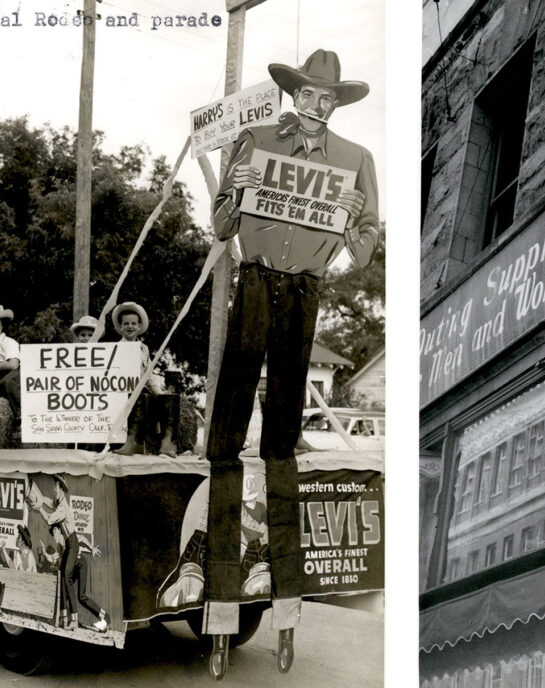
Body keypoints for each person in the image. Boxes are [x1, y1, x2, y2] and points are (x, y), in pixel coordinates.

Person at [201, 48, 379, 679]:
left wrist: (357, 228)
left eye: (326, 96)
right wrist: (237, 194)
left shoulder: (357, 160)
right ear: (294, 94)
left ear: (336, 103)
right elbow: (221, 225)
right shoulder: (253, 140)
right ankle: (219, 611)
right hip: (252, 278)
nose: (316, 103)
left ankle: (286, 608)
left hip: (305, 288)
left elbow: (361, 252)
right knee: (225, 430)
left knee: (281, 436)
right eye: (307, 93)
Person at [28, 475, 108, 632]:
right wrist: (37, 497)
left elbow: (50, 519)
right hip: (71, 544)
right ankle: (64, 618)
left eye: (54, 487)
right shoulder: (59, 502)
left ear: (60, 489)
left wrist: (38, 508)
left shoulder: (63, 508)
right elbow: (48, 501)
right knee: (63, 578)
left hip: (73, 544)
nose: (53, 489)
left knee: (67, 577)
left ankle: (73, 620)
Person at [111, 302, 177, 457]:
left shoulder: (144, 349)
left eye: (133, 323)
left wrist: (159, 393)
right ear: (120, 327)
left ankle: (168, 444)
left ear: (139, 327)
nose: (130, 327)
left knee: (169, 399)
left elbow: (148, 375)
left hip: (140, 390)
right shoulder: (115, 348)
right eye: (126, 324)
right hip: (123, 392)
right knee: (139, 397)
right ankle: (132, 441)